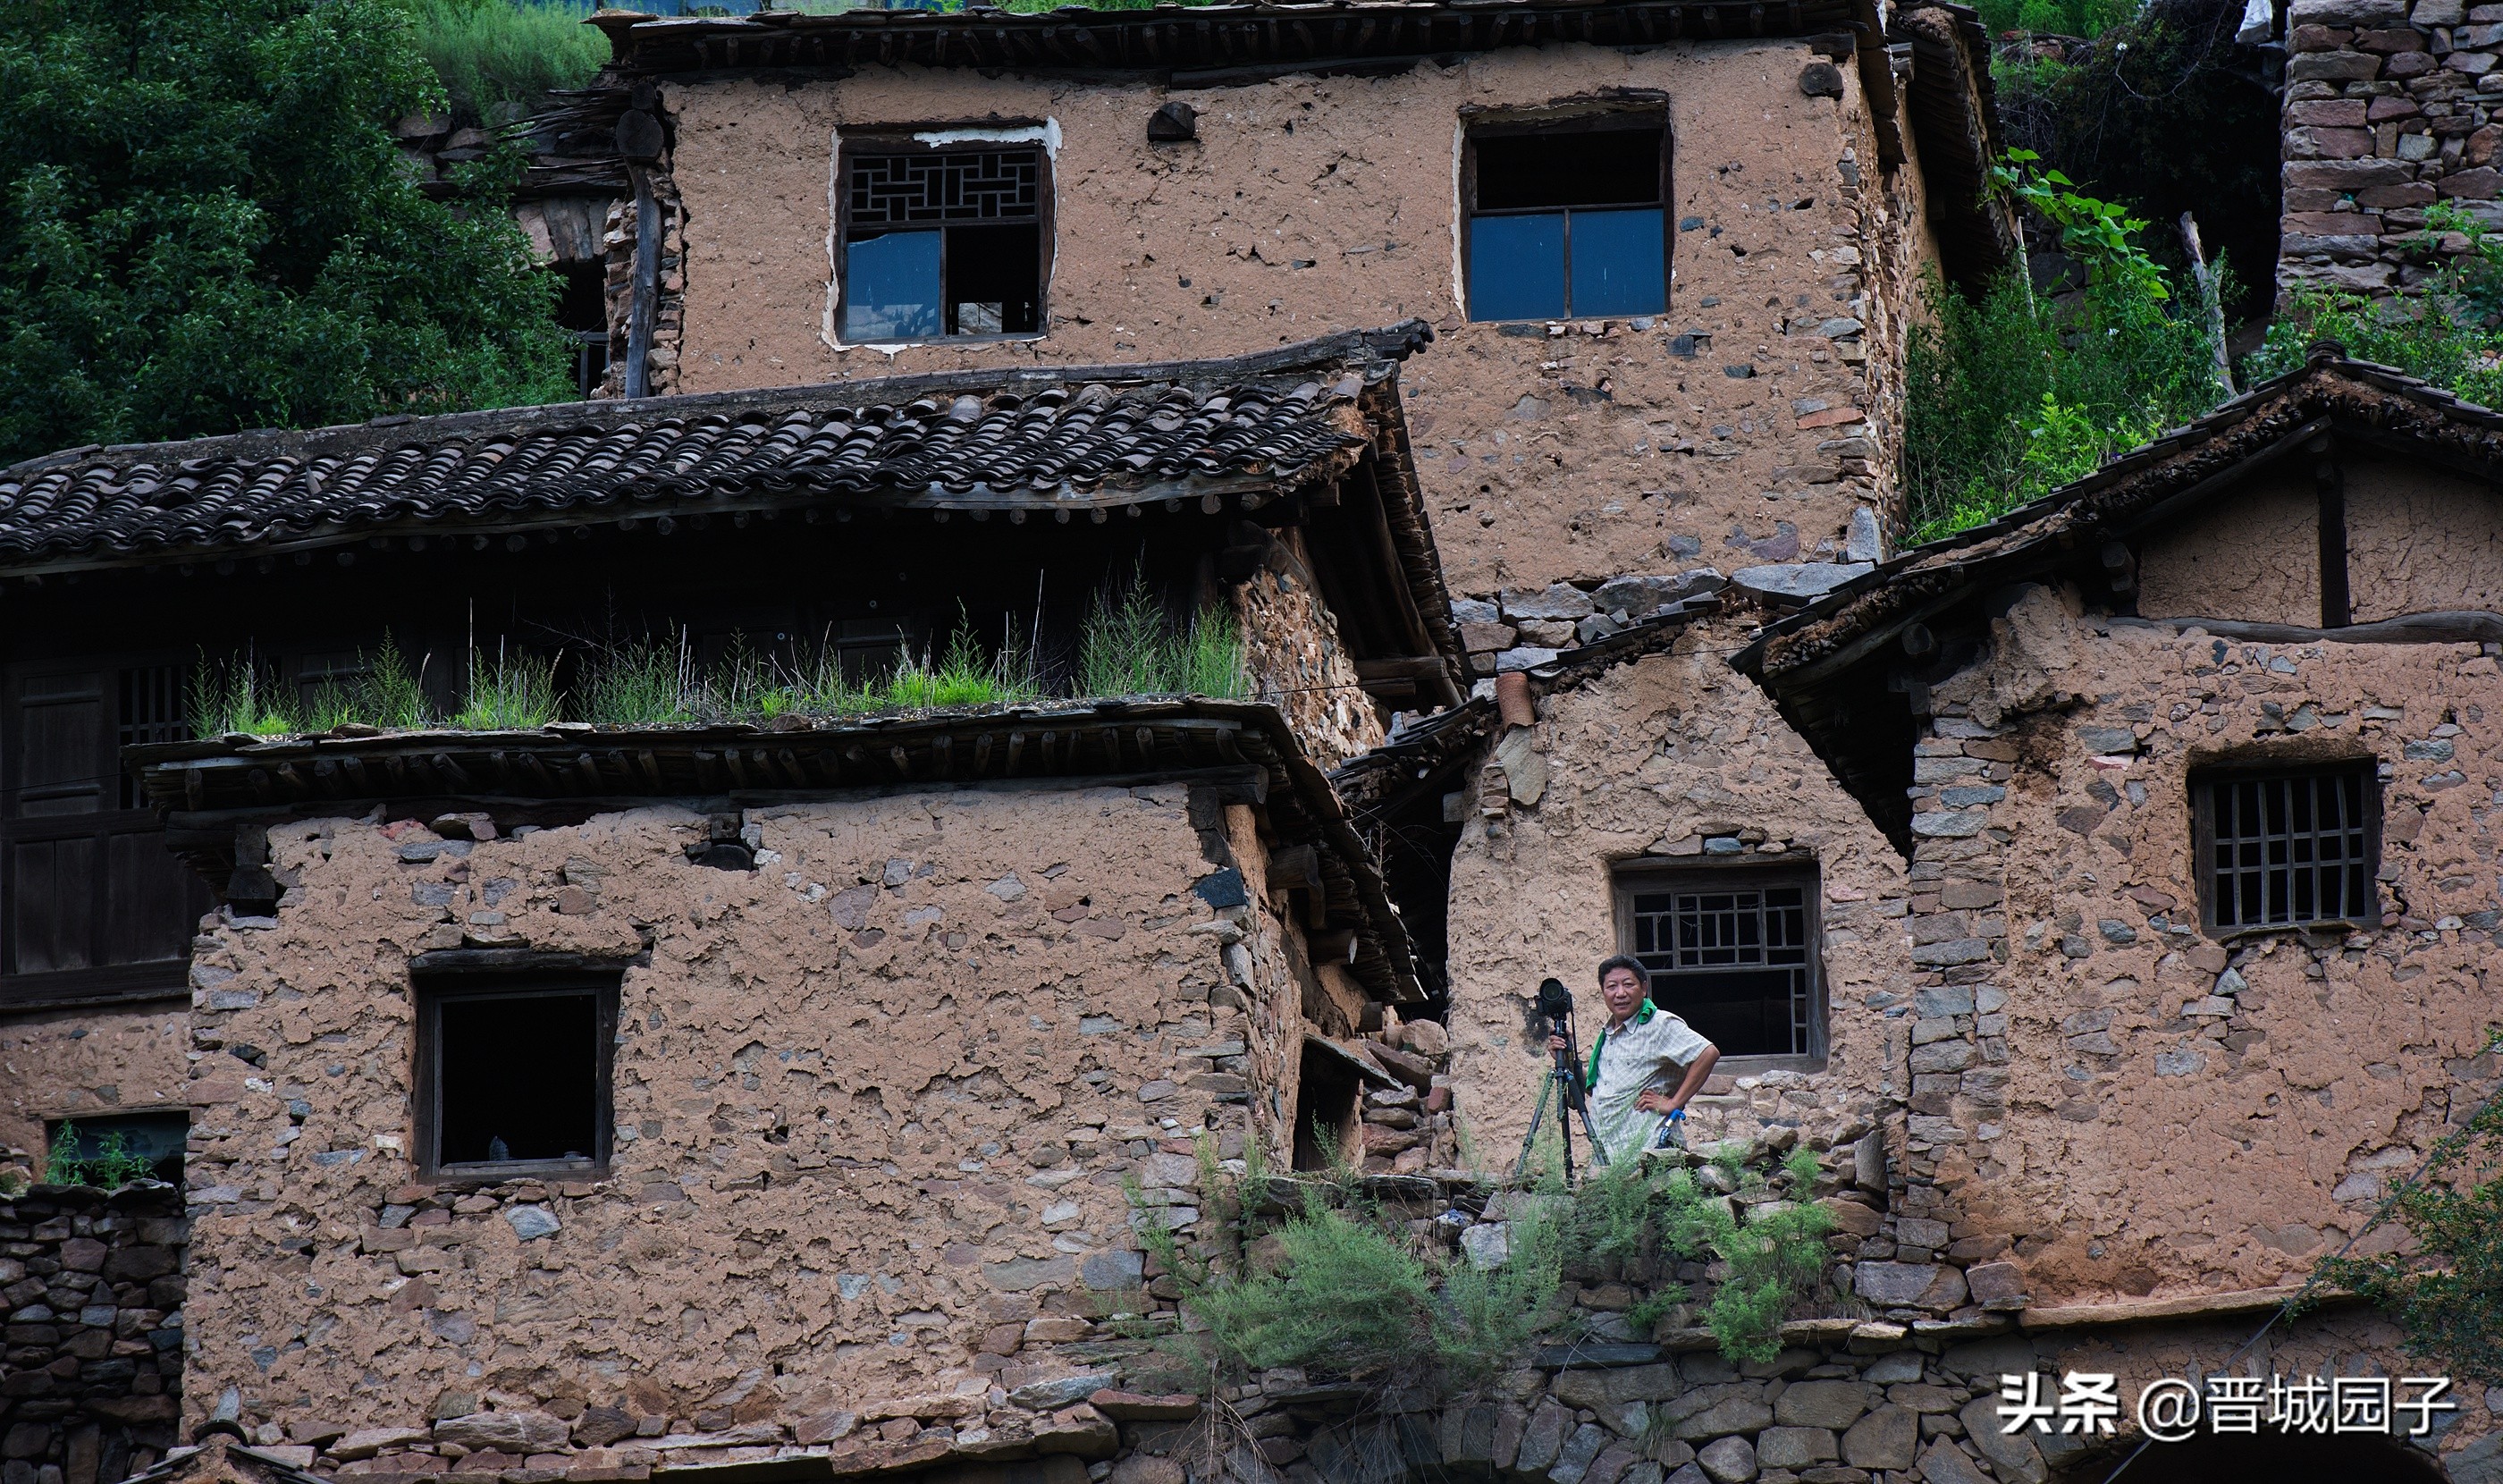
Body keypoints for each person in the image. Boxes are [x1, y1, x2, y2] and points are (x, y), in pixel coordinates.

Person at [1548, 955, 1719, 1159]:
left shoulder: (1658, 1024)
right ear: (1603, 992)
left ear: (1644, 988)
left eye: (1628, 984)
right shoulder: (1608, 1035)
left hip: (1651, 1152)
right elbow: (1600, 1088)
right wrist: (1567, 1057)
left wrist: (1673, 1103)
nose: (1620, 993)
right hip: (1612, 1156)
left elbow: (1708, 1053)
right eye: (1612, 986)